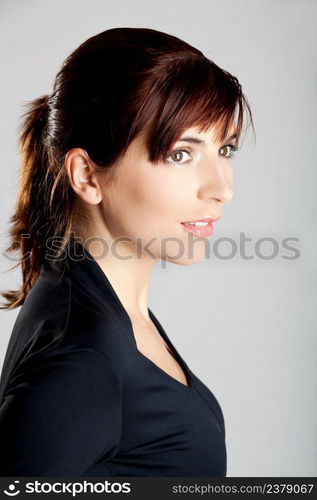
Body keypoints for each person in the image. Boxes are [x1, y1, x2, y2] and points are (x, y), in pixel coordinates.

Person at [0, 27, 254, 476]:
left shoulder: (101, 307)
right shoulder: (84, 359)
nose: (223, 188)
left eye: (225, 149)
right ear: (87, 176)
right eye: (181, 153)